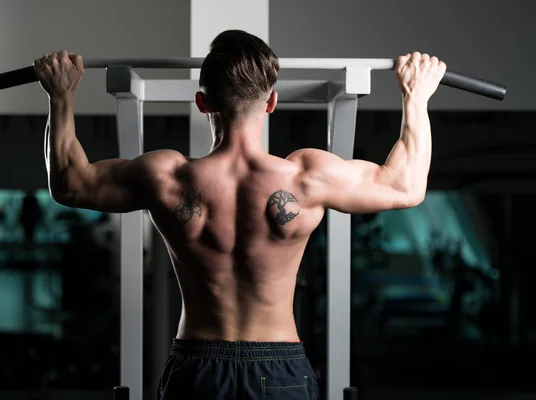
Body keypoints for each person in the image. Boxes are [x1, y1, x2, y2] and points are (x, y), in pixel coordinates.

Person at [33, 30, 446, 399]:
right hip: (279, 367)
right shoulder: (306, 177)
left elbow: (71, 183)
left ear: (201, 102)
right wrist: (416, 97)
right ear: (271, 102)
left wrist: (60, 96)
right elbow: (405, 186)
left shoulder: (167, 178)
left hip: (197, 367)